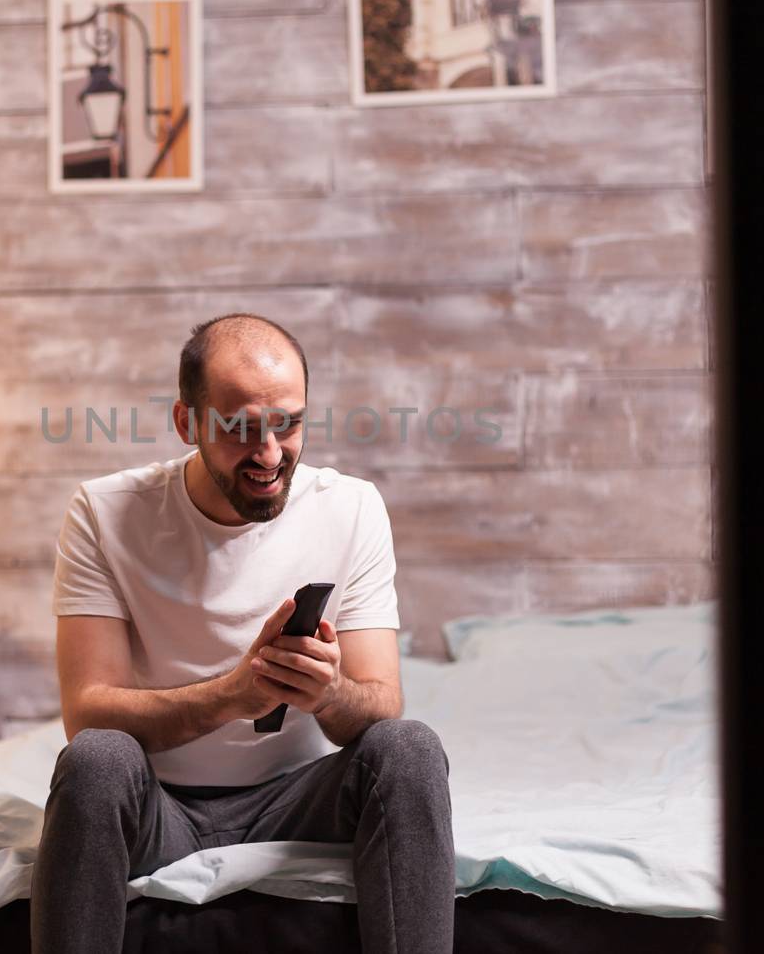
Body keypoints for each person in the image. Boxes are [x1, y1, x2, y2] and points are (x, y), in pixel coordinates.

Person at [30, 312, 455, 953]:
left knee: (410, 749)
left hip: (300, 803)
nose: (269, 453)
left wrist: (327, 692)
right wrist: (234, 696)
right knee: (95, 761)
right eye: (240, 429)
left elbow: (380, 703)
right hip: (159, 807)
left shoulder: (351, 508)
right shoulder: (104, 512)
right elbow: (87, 713)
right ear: (187, 423)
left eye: (288, 423)